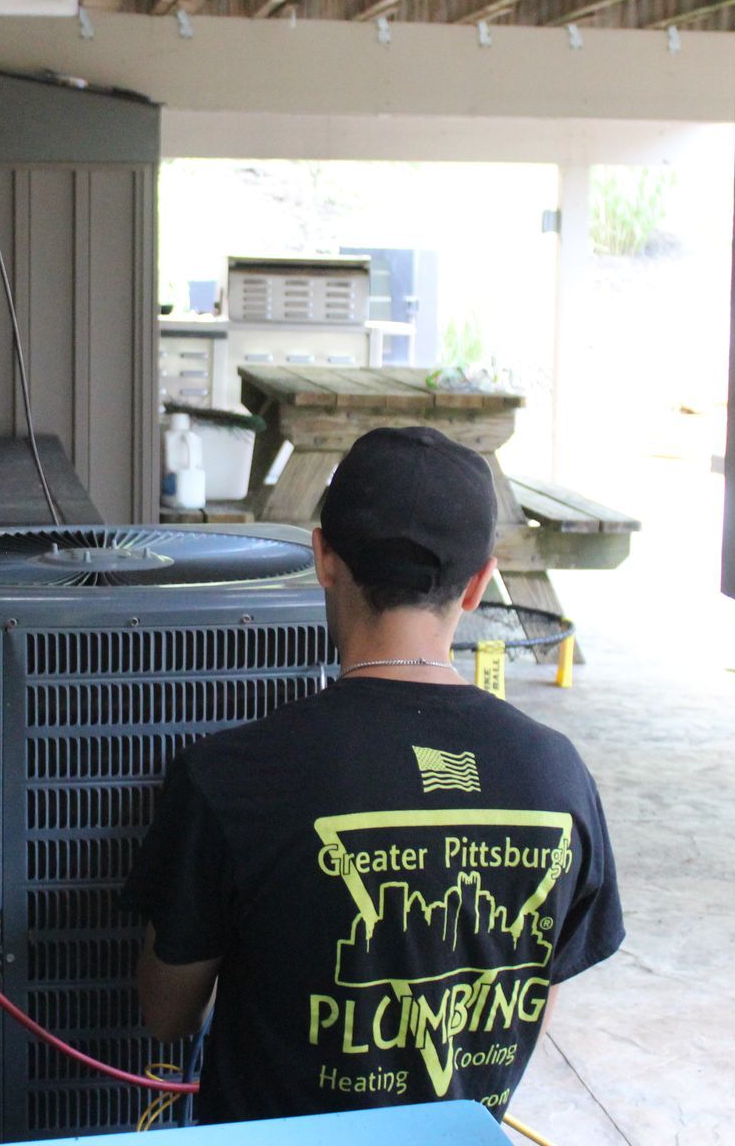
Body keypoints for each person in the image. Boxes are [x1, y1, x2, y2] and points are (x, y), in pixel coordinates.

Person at [119, 426, 623, 1125]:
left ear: (323, 557)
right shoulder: (558, 778)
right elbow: (532, 1008)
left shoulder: (228, 776)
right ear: (479, 583)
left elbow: (166, 1014)